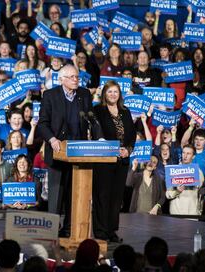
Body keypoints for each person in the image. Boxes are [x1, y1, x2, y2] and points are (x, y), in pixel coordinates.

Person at [38, 64, 99, 237]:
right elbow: (42, 124)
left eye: (77, 77)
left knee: (75, 195)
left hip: (78, 154)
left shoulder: (84, 94)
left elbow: (92, 119)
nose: (75, 80)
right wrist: (52, 139)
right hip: (58, 152)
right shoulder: (50, 95)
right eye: (72, 77)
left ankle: (69, 230)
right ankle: (51, 232)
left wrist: (99, 139)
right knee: (56, 196)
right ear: (61, 79)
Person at [92, 80, 136, 242]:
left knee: (116, 197)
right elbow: (97, 133)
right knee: (102, 195)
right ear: (104, 94)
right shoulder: (98, 110)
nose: (112, 94)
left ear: (120, 94)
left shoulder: (125, 112)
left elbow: (131, 134)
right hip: (104, 160)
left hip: (122, 160)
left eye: (115, 92)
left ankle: (111, 231)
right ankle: (100, 231)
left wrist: (128, 150)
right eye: (109, 91)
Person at [166, 144, 205, 215]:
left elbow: (199, 192)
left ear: (193, 156)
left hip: (192, 214)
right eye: (183, 153)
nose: (185, 156)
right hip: (176, 212)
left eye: (188, 153)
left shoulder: (198, 172)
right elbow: (168, 194)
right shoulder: (173, 171)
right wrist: (177, 191)